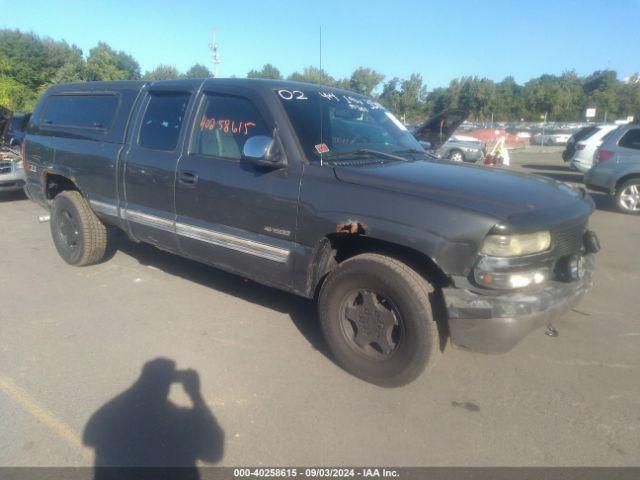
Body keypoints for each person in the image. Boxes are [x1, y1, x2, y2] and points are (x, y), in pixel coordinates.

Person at [83, 358, 224, 480]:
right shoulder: (181, 421)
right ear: (168, 385)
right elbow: (214, 453)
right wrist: (195, 394)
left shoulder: (114, 418)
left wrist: (136, 389)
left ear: (142, 382)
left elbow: (89, 436)